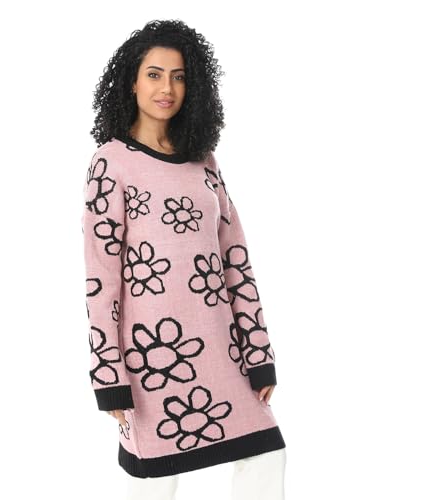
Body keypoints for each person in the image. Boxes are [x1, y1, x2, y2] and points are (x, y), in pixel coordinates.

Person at [81, 19, 286, 500]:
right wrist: (108, 375)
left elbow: (236, 263)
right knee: (155, 481)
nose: (166, 89)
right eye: (154, 75)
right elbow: (101, 279)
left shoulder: (204, 160)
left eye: (178, 77)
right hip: (153, 357)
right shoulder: (111, 162)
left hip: (222, 350)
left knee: (266, 453)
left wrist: (258, 353)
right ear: (132, 81)